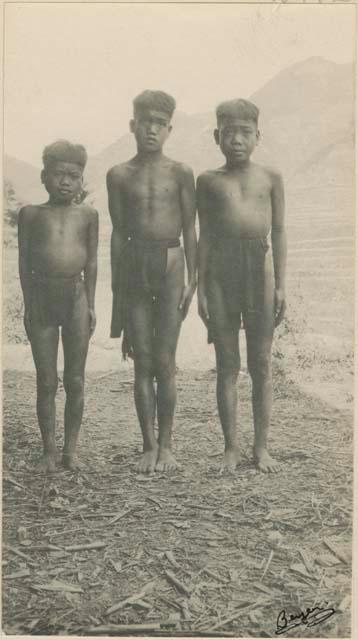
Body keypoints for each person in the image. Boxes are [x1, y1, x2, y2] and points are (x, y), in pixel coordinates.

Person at [107, 90, 197, 473]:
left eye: (160, 124)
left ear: (169, 129)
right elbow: (116, 233)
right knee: (142, 360)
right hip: (135, 267)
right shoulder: (118, 174)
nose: (152, 130)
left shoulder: (180, 172)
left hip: (172, 262)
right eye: (146, 122)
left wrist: (194, 278)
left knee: (166, 360)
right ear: (133, 125)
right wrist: (117, 293)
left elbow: (190, 228)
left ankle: (168, 445)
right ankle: (147, 444)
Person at [197, 99, 287, 473]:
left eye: (245, 132)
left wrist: (281, 285)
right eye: (229, 132)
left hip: (259, 269)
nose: (236, 140)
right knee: (228, 363)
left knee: (262, 362)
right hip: (220, 272)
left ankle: (261, 449)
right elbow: (203, 237)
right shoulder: (207, 181)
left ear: (257, 136)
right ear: (217, 136)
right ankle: (231, 447)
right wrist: (201, 287)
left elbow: (279, 231)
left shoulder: (270, 177)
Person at [18, 140, 98, 472]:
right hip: (42, 297)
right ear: (44, 176)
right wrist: (27, 305)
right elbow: (23, 263)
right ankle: (48, 452)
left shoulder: (89, 215)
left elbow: (92, 262)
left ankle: (71, 452)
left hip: (76, 297)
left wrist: (91, 304)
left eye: (74, 175)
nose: (66, 181)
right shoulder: (31, 214)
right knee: (46, 379)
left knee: (75, 379)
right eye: (59, 174)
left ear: (82, 181)